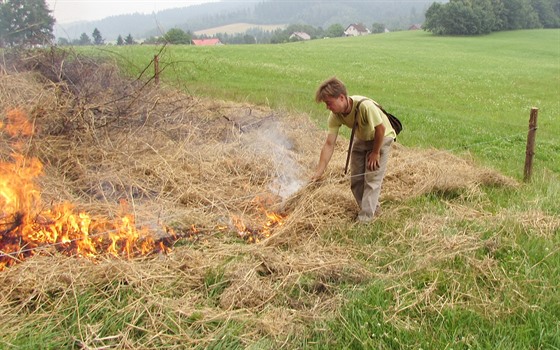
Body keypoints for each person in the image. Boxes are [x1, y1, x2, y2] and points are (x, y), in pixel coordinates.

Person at [311, 77, 396, 222]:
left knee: (372, 178)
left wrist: (375, 153)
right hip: (362, 137)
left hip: (381, 138)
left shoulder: (365, 106)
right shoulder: (335, 115)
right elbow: (329, 144)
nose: (327, 107)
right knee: (356, 179)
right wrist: (319, 172)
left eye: (329, 103)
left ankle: (365, 220)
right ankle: (373, 210)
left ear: (342, 98)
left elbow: (380, 129)